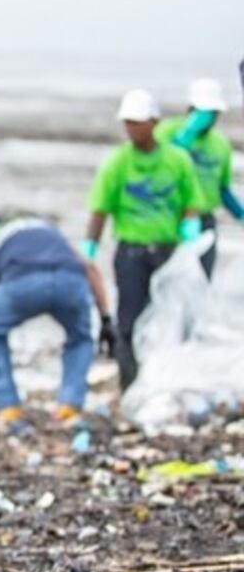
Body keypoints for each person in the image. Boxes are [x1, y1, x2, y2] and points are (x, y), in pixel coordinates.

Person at [0, 214, 111, 431]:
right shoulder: (38, 227)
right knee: (81, 338)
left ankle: (9, 408)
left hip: (24, 281)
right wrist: (106, 318)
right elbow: (89, 266)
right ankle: (70, 406)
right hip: (71, 278)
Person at [82, 89, 205, 390]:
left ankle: (168, 383)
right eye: (128, 123)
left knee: (171, 317)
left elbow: (192, 201)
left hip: (168, 250)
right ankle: (130, 385)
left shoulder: (177, 160)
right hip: (131, 253)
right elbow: (100, 209)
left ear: (154, 122)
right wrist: (90, 248)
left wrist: (191, 230)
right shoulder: (118, 163)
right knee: (129, 321)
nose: (132, 129)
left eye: (138, 122)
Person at [154, 78, 239, 276]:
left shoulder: (220, 144)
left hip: (205, 222)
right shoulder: (167, 131)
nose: (209, 118)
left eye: (213, 113)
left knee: (201, 281)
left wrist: (240, 213)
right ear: (190, 108)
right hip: (170, 218)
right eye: (204, 112)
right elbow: (159, 167)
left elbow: (223, 189)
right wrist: (186, 136)